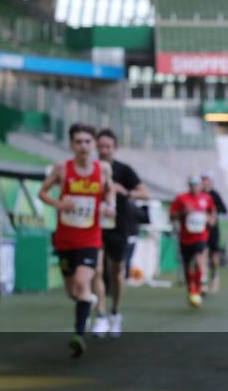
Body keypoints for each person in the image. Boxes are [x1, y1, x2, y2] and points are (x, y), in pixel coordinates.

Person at [38, 123, 115, 358]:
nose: (83, 146)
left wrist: (110, 205)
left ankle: (78, 335)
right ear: (72, 145)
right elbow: (42, 192)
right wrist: (59, 204)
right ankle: (87, 302)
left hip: (90, 238)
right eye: (78, 142)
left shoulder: (103, 169)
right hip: (65, 239)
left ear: (94, 145)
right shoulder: (62, 169)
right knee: (73, 291)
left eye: (87, 141)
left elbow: (109, 190)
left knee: (83, 281)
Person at [91, 128, 149, 338]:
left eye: (108, 146)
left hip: (118, 226)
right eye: (100, 146)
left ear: (114, 148)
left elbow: (145, 193)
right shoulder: (90, 169)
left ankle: (115, 313)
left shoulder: (124, 170)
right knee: (96, 270)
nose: (104, 150)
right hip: (94, 226)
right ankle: (100, 315)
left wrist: (125, 191)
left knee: (116, 271)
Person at [169, 176, 216, 308]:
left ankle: (198, 289)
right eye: (192, 184)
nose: (194, 187)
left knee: (198, 261)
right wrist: (183, 212)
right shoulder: (181, 198)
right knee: (187, 265)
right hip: (185, 237)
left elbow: (212, 210)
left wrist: (211, 219)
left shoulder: (206, 198)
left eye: (197, 184)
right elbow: (172, 215)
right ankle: (191, 288)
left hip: (201, 236)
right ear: (189, 185)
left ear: (200, 185)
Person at [201, 173, 228, 293]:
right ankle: (203, 280)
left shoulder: (214, 195)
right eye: (203, 179)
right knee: (203, 253)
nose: (204, 182)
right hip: (201, 229)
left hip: (213, 230)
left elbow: (224, 209)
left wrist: (213, 212)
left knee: (214, 254)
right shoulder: (199, 194)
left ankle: (215, 276)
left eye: (206, 179)